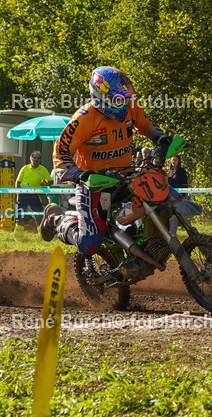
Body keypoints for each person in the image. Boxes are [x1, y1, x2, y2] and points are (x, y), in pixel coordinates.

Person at [40, 67, 170, 274]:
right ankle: (56, 218)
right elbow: (61, 152)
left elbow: (145, 125)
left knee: (162, 197)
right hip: (94, 183)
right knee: (89, 245)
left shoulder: (131, 106)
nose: (124, 103)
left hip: (126, 175)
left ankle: (148, 246)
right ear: (101, 96)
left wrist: (159, 137)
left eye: (125, 98)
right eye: (118, 99)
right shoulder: (84, 118)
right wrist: (78, 174)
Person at [14, 151, 53, 232]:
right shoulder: (25, 168)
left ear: (40, 160)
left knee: (39, 213)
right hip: (23, 194)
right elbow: (17, 182)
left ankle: (41, 233)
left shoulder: (43, 169)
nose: (36, 160)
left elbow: (51, 181)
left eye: (38, 158)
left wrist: (46, 183)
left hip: (34, 194)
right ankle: (18, 235)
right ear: (30, 158)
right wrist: (17, 192)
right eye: (34, 158)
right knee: (20, 214)